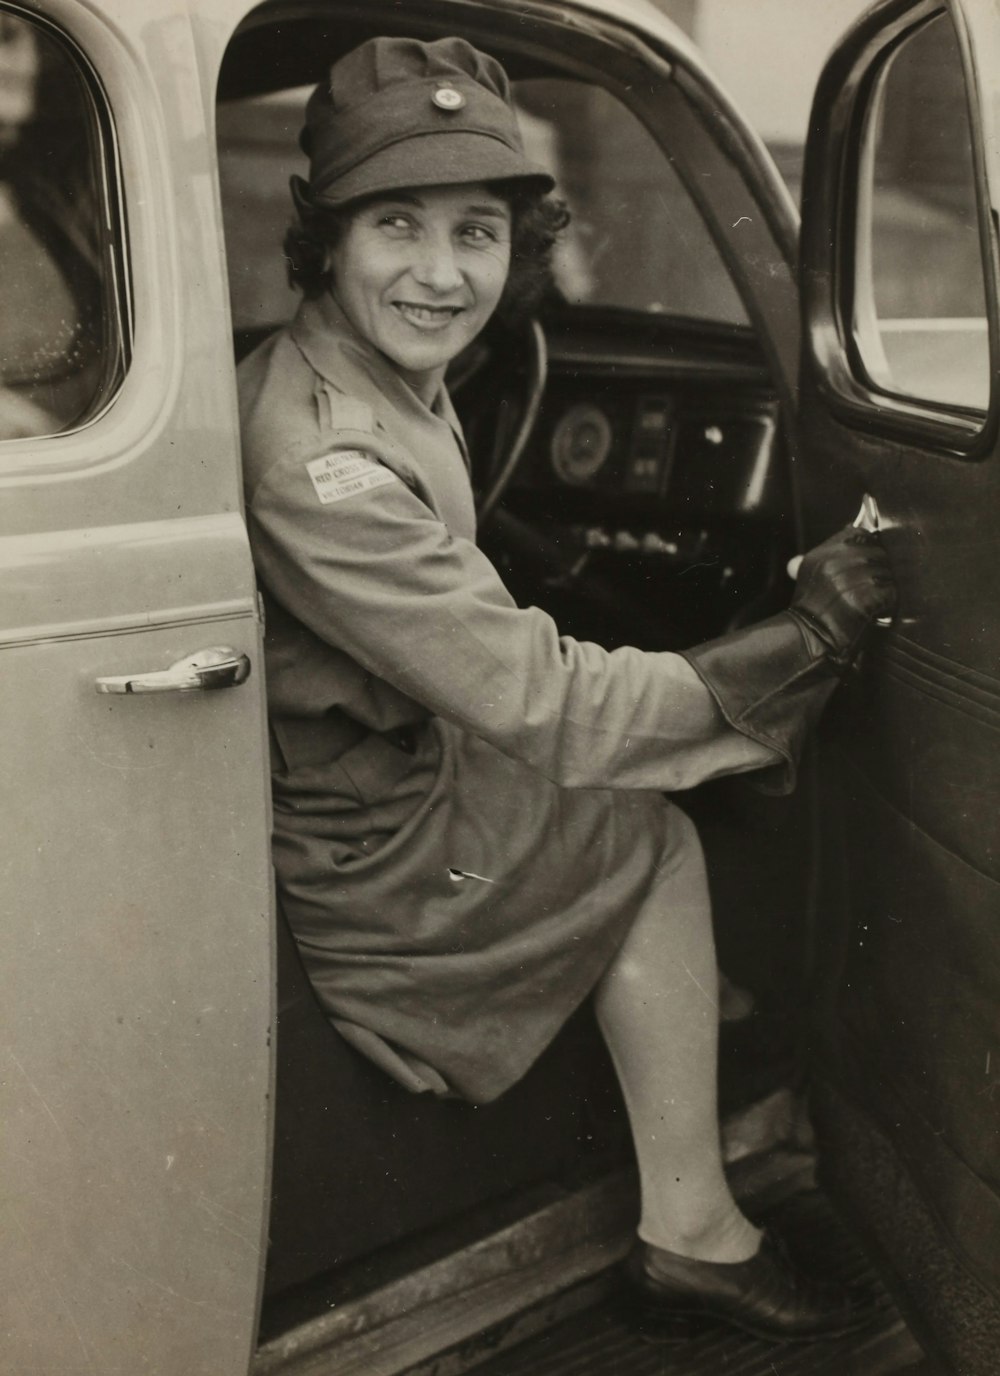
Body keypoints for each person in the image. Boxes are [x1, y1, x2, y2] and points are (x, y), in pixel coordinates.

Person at [237, 36, 896, 1342]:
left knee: (628, 783)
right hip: (371, 840)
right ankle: (695, 1231)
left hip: (394, 757)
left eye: (477, 230)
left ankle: (669, 1003)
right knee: (647, 833)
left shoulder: (366, 369)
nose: (442, 273)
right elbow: (560, 706)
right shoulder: (324, 461)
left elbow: (460, 598)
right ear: (326, 238)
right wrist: (806, 639)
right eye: (396, 226)